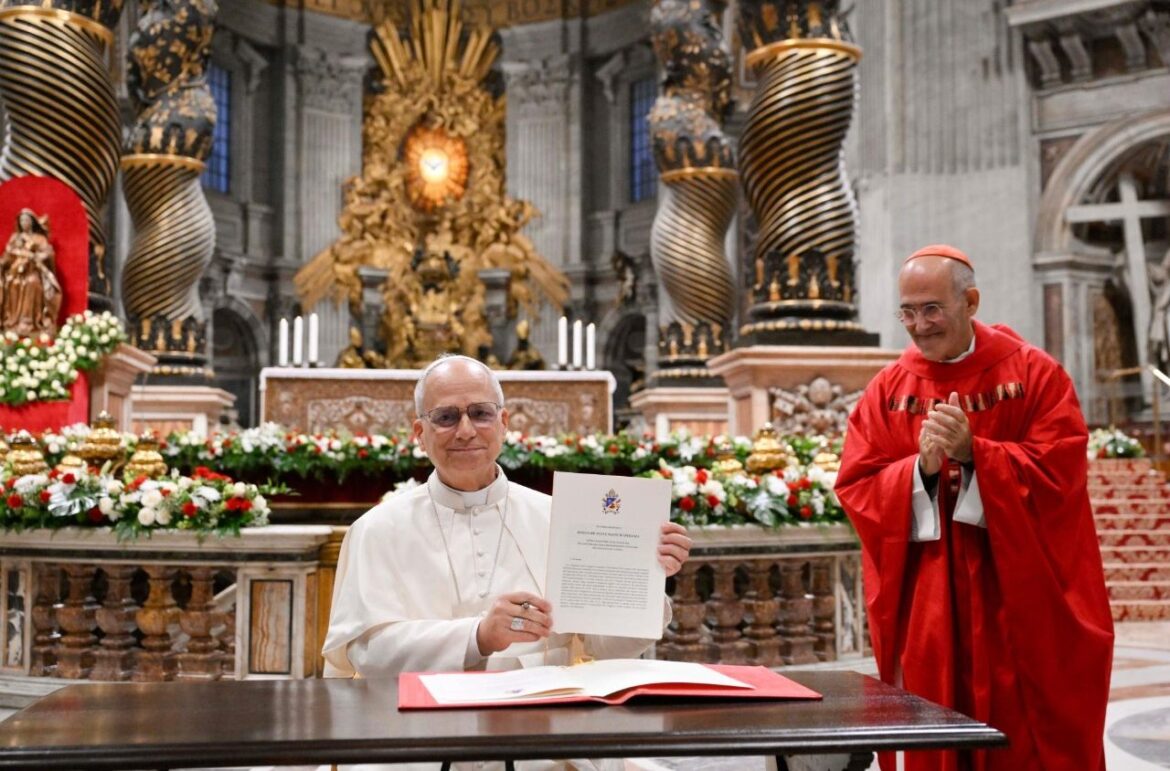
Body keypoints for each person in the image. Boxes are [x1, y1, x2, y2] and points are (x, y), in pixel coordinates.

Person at [323, 355, 693, 768]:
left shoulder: (560, 517)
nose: (466, 430)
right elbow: (369, 654)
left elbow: (604, 647)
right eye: (446, 417)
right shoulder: (376, 529)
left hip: (544, 743)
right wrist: (478, 636)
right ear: (420, 433)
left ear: (503, 423)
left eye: (480, 413)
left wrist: (646, 580)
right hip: (417, 743)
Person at [836, 244, 1113, 771]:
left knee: (1020, 732)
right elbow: (857, 483)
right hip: (931, 604)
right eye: (907, 312)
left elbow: (1061, 472)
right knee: (936, 725)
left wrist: (975, 455)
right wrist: (920, 471)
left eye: (932, 309)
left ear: (970, 302)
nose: (919, 326)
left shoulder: (1034, 374)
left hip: (1015, 594)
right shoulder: (888, 390)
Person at [0, 208, 62, 338]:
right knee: (13, 283)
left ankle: (30, 322)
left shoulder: (39, 238)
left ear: (32, 222)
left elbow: (48, 254)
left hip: (33, 272)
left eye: (26, 220)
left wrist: (36, 257)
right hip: (15, 273)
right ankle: (12, 321)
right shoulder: (15, 238)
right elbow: (7, 256)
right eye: (22, 220)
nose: (24, 223)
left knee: (33, 284)